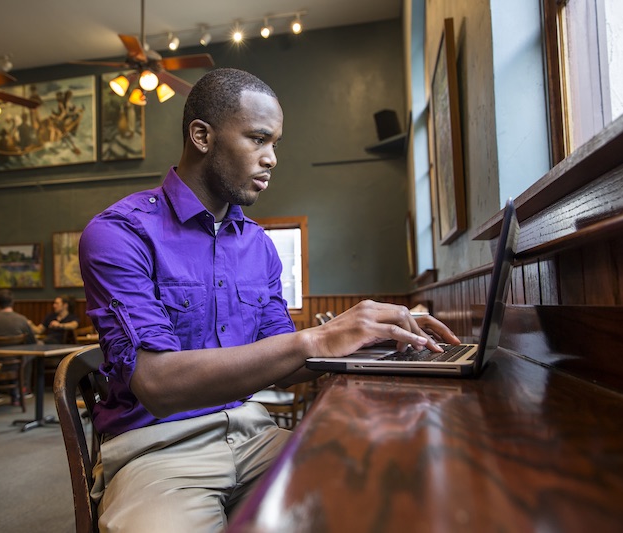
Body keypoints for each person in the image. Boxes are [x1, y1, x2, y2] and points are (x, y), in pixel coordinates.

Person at [78, 68, 461, 532]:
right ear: (202, 136)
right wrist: (315, 340)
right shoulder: (119, 233)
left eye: (275, 143)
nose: (272, 158)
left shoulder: (258, 245)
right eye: (259, 139)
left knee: (383, 496)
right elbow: (158, 386)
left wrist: (375, 342)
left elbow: (290, 360)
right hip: (155, 449)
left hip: (253, 432)